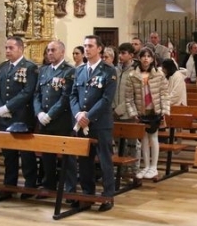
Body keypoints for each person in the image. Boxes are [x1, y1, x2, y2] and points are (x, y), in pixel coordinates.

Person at [69, 35, 118, 211]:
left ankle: (107, 196)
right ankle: (87, 194)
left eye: (90, 46)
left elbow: (106, 99)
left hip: (100, 123)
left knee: (105, 160)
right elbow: (73, 95)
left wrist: (88, 116)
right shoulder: (80, 71)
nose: (87, 49)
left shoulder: (108, 71)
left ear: (99, 49)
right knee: (84, 161)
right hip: (81, 122)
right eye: (85, 46)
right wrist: (77, 115)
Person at [0, 37, 38, 195]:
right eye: (6, 48)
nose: (7, 51)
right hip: (4, 116)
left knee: (26, 154)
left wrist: (8, 106)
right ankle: (9, 185)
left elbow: (27, 91)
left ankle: (30, 185)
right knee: (8, 153)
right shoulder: (2, 67)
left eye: (11, 48)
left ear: (20, 49)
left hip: (22, 116)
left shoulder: (30, 67)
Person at [33, 40, 75, 192]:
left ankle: (70, 188)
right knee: (47, 157)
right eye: (48, 50)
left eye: (53, 50)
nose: (50, 53)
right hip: (44, 120)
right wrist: (39, 113)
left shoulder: (69, 71)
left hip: (61, 121)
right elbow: (37, 93)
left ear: (62, 52)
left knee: (67, 157)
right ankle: (48, 185)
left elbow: (65, 97)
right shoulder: (44, 70)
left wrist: (50, 115)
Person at [126, 47, 170, 180]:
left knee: (154, 138)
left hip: (154, 110)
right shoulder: (133, 75)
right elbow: (129, 97)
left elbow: (164, 94)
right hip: (141, 111)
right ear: (139, 58)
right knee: (143, 139)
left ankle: (154, 166)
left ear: (152, 59)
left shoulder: (159, 74)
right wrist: (133, 112)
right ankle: (146, 166)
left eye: (148, 56)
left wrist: (164, 110)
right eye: (143, 56)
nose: (146, 58)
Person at [113, 42, 141, 177]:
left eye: (124, 53)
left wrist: (120, 108)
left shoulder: (136, 71)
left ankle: (134, 170)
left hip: (129, 112)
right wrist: (113, 108)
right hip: (114, 112)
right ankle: (120, 169)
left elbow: (135, 94)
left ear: (131, 55)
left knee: (132, 144)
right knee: (118, 143)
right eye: (120, 53)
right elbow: (111, 91)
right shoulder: (115, 70)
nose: (121, 56)